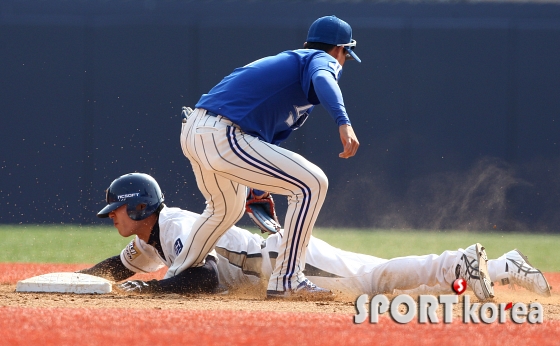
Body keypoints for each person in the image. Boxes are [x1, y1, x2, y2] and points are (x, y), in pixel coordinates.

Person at [81, 173, 551, 301]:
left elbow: (200, 280)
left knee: (375, 280)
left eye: (116, 209)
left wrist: (149, 289)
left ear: (139, 207)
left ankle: (459, 261)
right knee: (381, 299)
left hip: (282, 261)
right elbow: (118, 267)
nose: (112, 217)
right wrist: (73, 280)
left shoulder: (177, 227)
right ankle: (505, 268)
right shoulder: (148, 240)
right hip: (270, 271)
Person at [178, 15, 361, 300]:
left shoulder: (292, 74)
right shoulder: (318, 59)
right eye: (346, 56)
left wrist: (257, 189)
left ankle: (179, 275)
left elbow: (263, 145)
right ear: (339, 50)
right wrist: (343, 121)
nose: (343, 62)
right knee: (312, 183)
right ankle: (287, 279)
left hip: (197, 131)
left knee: (224, 209)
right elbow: (325, 76)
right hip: (222, 134)